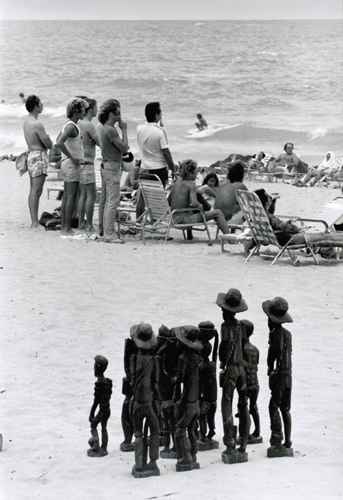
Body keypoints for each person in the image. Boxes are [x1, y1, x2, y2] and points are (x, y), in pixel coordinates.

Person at [217, 289, 250, 463]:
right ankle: (243, 443)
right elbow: (244, 345)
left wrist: (222, 361)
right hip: (242, 370)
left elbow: (223, 349)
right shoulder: (242, 326)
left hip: (230, 369)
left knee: (227, 404)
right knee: (243, 405)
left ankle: (230, 443)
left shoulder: (225, 327)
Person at [255, 188, 343, 247]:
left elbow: (270, 217)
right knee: (324, 236)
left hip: (280, 238)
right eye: (269, 197)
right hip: (290, 239)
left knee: (324, 237)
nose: (271, 198)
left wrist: (273, 202)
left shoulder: (258, 215)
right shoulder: (269, 218)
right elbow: (284, 227)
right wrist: (295, 227)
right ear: (266, 203)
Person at [262, 297, 294, 457]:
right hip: (289, 374)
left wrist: (270, 368)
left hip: (280, 375)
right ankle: (288, 440)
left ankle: (277, 438)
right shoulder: (288, 334)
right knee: (286, 408)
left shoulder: (275, 335)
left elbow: (272, 355)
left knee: (273, 406)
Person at [169, 159, 231, 235]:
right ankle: (230, 239)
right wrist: (199, 205)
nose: (197, 174)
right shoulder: (191, 184)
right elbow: (195, 204)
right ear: (191, 173)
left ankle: (189, 236)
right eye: (196, 172)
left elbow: (168, 201)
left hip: (173, 219)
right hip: (184, 221)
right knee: (218, 213)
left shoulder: (176, 184)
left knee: (189, 210)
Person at [130, 323, 160, 477]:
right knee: (154, 430)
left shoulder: (134, 358)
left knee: (138, 434)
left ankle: (139, 463)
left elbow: (131, 380)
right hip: (148, 402)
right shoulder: (154, 360)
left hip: (136, 403)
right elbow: (156, 384)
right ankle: (152, 461)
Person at [97, 99, 128, 243]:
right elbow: (124, 148)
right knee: (113, 200)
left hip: (106, 164)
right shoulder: (110, 129)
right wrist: (125, 130)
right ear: (111, 114)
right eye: (118, 113)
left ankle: (103, 230)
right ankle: (109, 234)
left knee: (105, 199)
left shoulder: (104, 128)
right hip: (112, 167)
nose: (120, 116)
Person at [57, 97, 88, 235]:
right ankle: (66, 228)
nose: (84, 112)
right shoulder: (71, 126)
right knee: (71, 197)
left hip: (66, 164)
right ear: (76, 111)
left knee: (67, 197)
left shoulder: (68, 124)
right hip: (71, 164)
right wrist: (72, 158)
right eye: (83, 109)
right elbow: (59, 142)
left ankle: (64, 226)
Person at [23, 95, 53, 228]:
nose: (42, 106)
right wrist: (49, 140)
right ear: (35, 107)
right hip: (39, 156)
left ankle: (33, 220)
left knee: (33, 190)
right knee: (37, 191)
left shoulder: (26, 122)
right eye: (40, 104)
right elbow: (48, 144)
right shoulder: (37, 124)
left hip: (31, 155)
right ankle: (34, 222)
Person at [137, 102, 176, 186]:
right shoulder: (160, 131)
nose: (162, 114)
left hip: (143, 169)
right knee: (158, 196)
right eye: (160, 113)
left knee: (147, 196)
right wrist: (173, 169)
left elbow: (148, 126)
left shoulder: (139, 128)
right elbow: (166, 153)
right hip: (158, 170)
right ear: (156, 115)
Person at [77, 97, 99, 232]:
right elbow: (100, 141)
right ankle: (89, 224)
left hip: (79, 162)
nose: (97, 110)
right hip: (88, 162)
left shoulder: (78, 123)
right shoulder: (89, 125)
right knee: (91, 194)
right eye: (96, 108)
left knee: (83, 194)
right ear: (91, 109)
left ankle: (81, 222)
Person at [88, 355, 112, 457]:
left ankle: (96, 444)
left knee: (93, 424)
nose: (94, 368)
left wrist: (92, 413)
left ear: (98, 367)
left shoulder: (99, 383)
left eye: (94, 366)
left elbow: (96, 401)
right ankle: (104, 446)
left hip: (103, 410)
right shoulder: (108, 382)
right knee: (104, 427)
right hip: (107, 409)